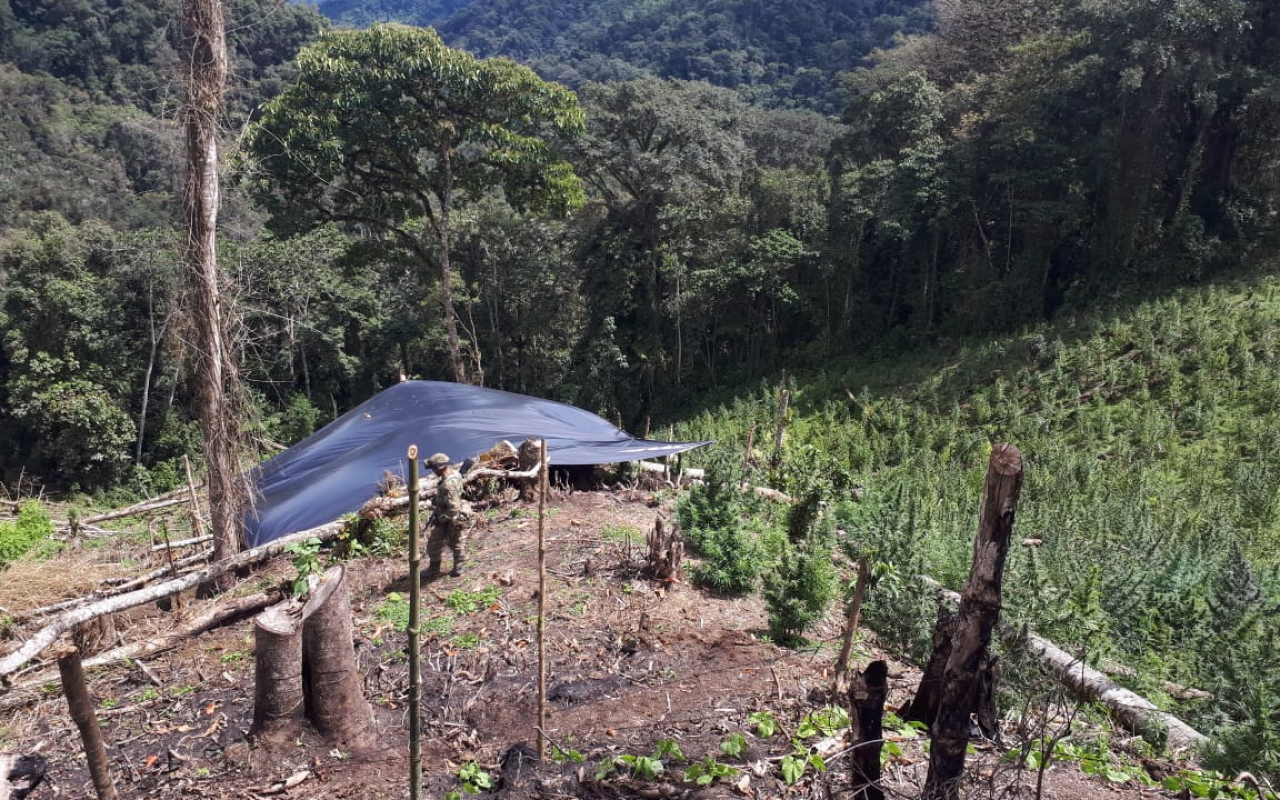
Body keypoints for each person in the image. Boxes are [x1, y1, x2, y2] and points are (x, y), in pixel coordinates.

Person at [422, 452, 473, 579]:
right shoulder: (455, 474)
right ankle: (439, 569)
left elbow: (453, 509)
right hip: (449, 513)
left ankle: (454, 568)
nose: (433, 471)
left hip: (451, 517)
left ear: (438, 468)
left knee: (451, 542)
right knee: (448, 542)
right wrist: (439, 500)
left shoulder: (448, 484)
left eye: (434, 468)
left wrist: (441, 519)